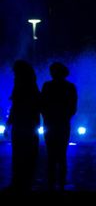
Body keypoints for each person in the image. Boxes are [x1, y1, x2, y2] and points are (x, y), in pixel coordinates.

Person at [40, 62, 78, 190]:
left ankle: (51, 183)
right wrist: (65, 117)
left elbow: (42, 104)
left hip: (50, 123)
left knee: (51, 154)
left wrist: (47, 116)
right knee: (62, 154)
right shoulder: (70, 87)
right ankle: (61, 183)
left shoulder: (47, 86)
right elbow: (73, 107)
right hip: (63, 123)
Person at [6, 60, 41, 191]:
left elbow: (16, 107)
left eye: (15, 71)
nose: (14, 73)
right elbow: (38, 105)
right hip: (30, 123)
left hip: (21, 123)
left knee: (19, 153)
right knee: (29, 153)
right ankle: (27, 183)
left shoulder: (20, 85)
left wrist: (9, 122)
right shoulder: (33, 86)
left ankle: (18, 183)